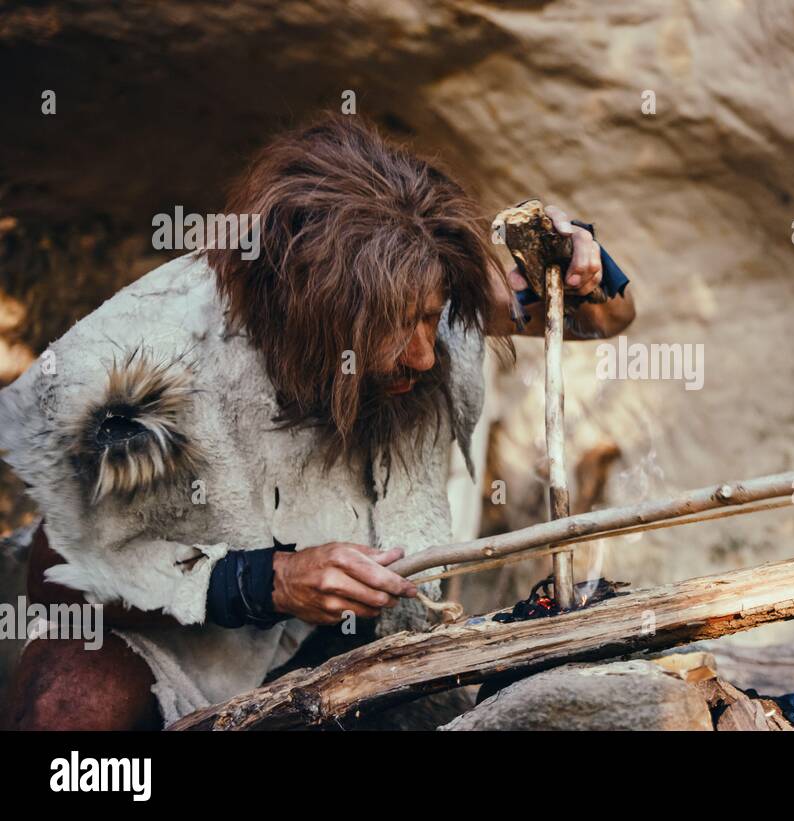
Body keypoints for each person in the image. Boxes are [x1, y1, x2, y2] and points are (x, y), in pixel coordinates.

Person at [0, 114, 636, 729]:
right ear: (313, 313)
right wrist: (269, 582)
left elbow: (606, 317)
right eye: (399, 327)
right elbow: (63, 583)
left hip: (360, 639)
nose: (424, 352)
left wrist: (581, 262)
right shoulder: (144, 366)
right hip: (180, 641)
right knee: (66, 702)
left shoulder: (419, 285)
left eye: (431, 317)